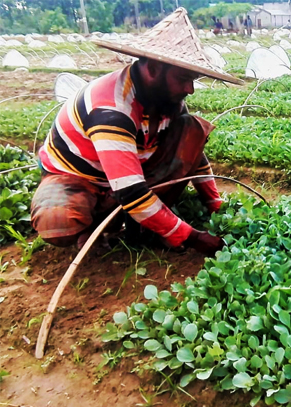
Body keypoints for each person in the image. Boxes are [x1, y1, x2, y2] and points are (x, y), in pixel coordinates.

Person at [31, 8, 242, 257]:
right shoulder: (111, 109)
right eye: (184, 78)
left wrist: (214, 203)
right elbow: (130, 191)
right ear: (153, 69)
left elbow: (192, 155)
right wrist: (193, 237)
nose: (190, 89)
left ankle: (145, 223)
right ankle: (95, 226)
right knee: (58, 221)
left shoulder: (166, 100)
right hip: (79, 179)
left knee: (190, 129)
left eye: (193, 80)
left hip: (128, 177)